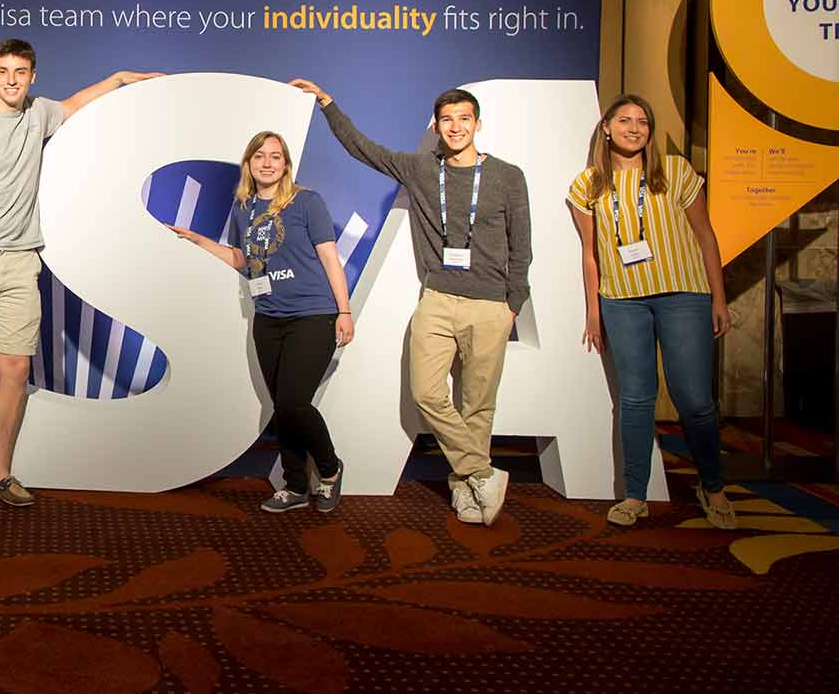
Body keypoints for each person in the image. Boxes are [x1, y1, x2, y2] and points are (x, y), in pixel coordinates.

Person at [295, 78, 530, 527]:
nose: (456, 127)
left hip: (490, 305)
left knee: (478, 405)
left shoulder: (506, 176)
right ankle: (481, 473)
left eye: (464, 119)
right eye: (447, 120)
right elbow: (363, 148)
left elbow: (522, 244)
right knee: (428, 394)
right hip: (438, 300)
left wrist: (512, 302)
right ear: (437, 126)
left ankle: (465, 489)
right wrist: (327, 102)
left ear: (477, 124)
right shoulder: (422, 169)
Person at [0, 38, 160, 506]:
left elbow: (78, 103)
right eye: (3, 70)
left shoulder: (40, 114)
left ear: (32, 76)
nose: (11, 79)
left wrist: (119, 79)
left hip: (23, 263)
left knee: (15, 367)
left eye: (20, 71)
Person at [567, 95, 736, 529]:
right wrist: (593, 309)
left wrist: (719, 298)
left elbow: (706, 236)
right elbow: (591, 254)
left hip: (684, 295)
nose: (634, 127)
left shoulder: (676, 173)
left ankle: (712, 486)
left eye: (643, 121)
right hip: (623, 300)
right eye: (624, 120)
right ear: (605, 127)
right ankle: (634, 495)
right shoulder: (587, 186)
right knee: (635, 399)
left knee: (695, 400)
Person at [168, 130, 353, 513]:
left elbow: (331, 258)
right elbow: (242, 259)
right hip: (267, 316)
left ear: (285, 164)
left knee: (293, 401)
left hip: (312, 314)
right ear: (249, 163)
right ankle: (295, 485)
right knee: (280, 406)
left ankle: (331, 470)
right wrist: (199, 242)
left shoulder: (306, 202)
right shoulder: (244, 207)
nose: (267, 162)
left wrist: (344, 311)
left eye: (275, 156)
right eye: (259, 156)